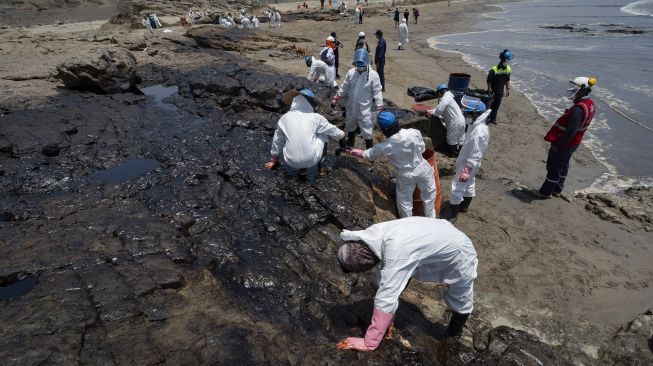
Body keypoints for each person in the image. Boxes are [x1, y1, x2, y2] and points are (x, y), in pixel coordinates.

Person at [335, 216, 478, 351]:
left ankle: (454, 333)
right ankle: (387, 318)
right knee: (397, 277)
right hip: (433, 234)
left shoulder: (396, 250)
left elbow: (387, 294)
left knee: (460, 294)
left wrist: (369, 343)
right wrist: (388, 318)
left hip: (459, 250)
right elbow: (385, 273)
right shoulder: (371, 236)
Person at [345, 112, 437, 218]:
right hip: (422, 167)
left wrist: (350, 151)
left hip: (405, 174)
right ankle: (431, 220)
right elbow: (422, 149)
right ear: (397, 122)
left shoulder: (385, 147)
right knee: (429, 196)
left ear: (384, 131)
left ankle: (408, 225)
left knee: (405, 202)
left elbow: (366, 154)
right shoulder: (414, 132)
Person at [529, 77, 597, 199]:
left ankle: (545, 192)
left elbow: (571, 131)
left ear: (582, 90)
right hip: (574, 142)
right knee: (563, 165)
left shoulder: (578, 109)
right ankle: (557, 189)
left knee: (554, 167)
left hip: (565, 143)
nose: (572, 90)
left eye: (576, 88)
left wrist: (558, 145)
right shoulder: (590, 104)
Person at [265, 89, 345, 174]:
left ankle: (302, 170)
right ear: (310, 103)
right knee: (322, 132)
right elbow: (334, 131)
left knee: (288, 134)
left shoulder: (285, 118)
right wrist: (343, 136)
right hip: (311, 160)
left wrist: (274, 159)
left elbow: (277, 139)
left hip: (290, 161)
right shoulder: (317, 118)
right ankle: (322, 166)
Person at [331, 49, 384, 149]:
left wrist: (379, 104)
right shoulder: (351, 73)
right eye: (357, 64)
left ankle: (369, 149)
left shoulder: (373, 75)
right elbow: (344, 87)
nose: (359, 67)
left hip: (364, 109)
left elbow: (377, 91)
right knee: (350, 124)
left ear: (367, 63)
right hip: (351, 106)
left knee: (367, 129)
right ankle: (351, 141)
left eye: (361, 64)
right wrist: (336, 97)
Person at [448, 101, 491, 224]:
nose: (466, 116)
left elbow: (475, 154)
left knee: (458, 186)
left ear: (475, 114)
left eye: (468, 113)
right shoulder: (478, 126)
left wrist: (466, 171)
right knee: (469, 183)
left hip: (468, 166)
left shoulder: (479, 131)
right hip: (471, 165)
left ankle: (453, 215)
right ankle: (464, 207)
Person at [427, 83, 465, 156]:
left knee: (451, 139)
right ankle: (461, 153)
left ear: (441, 92)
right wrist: (432, 111)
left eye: (438, 93)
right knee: (461, 137)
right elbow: (440, 109)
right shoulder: (448, 97)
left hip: (454, 121)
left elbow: (439, 110)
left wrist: (432, 113)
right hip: (461, 119)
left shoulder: (445, 98)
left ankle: (453, 154)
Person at [486, 49, 513, 124]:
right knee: (490, 105)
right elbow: (489, 80)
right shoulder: (494, 69)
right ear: (502, 59)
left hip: (500, 91)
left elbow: (507, 79)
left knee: (496, 105)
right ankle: (487, 118)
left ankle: (493, 119)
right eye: (505, 60)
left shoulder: (508, 69)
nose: (506, 61)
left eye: (506, 60)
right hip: (492, 90)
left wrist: (507, 89)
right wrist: (489, 89)